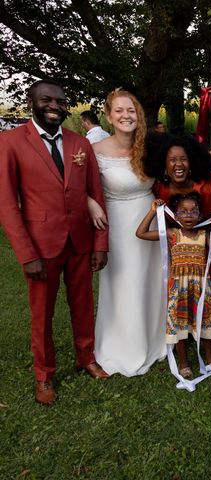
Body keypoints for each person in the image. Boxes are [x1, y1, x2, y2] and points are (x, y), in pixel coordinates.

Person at [0, 79, 109, 405]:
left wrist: (100, 243)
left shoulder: (80, 143)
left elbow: (96, 194)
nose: (55, 106)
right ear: (31, 101)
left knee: (83, 305)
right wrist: (26, 253)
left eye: (61, 102)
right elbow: (7, 204)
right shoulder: (11, 142)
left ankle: (86, 357)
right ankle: (44, 375)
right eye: (47, 100)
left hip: (80, 240)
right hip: (40, 245)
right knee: (41, 314)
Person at [91, 90, 165, 377]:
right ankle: (123, 346)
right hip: (118, 225)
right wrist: (90, 204)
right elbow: (76, 186)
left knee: (152, 281)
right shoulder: (95, 151)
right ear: (109, 117)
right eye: (119, 111)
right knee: (124, 283)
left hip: (149, 219)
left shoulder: (149, 147)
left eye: (131, 110)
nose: (126, 116)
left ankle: (156, 339)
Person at [136, 192, 211, 378]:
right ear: (175, 216)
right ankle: (184, 362)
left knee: (205, 323)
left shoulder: (204, 234)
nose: (189, 215)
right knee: (179, 325)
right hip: (179, 289)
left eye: (194, 212)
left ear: (200, 216)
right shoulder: (171, 234)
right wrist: (153, 212)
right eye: (183, 212)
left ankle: (210, 358)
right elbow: (141, 233)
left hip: (201, 289)